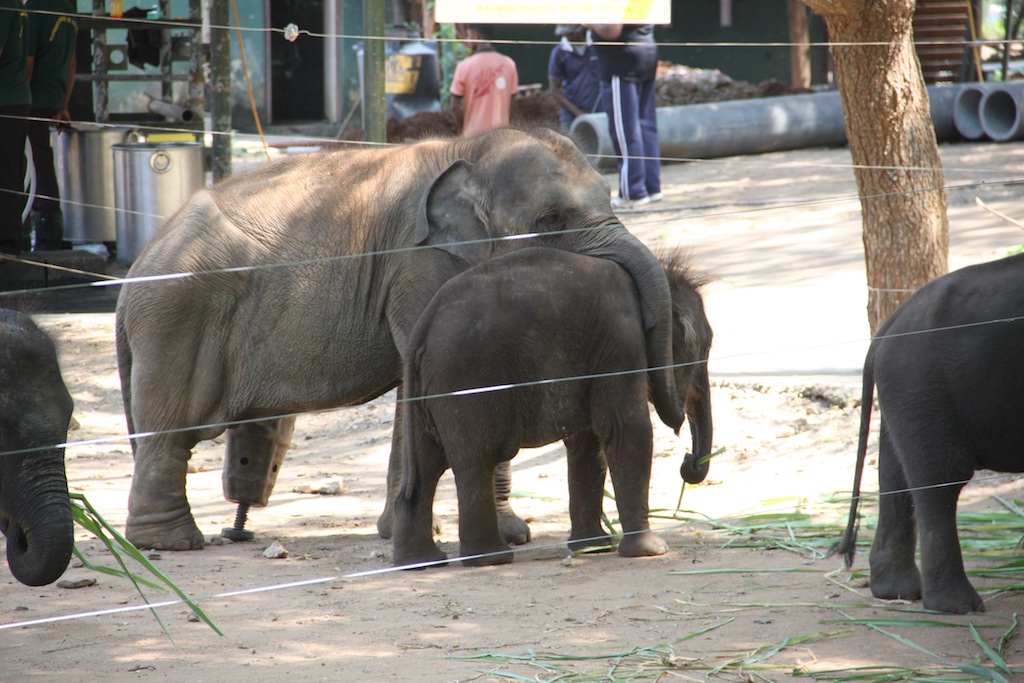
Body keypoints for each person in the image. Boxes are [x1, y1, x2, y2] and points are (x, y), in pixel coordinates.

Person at [587, 23, 662, 209]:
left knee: (625, 129)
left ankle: (633, 192)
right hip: (646, 49)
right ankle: (652, 188)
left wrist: (587, 21)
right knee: (645, 125)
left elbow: (611, 30)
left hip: (622, 62)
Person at [25, 0, 77, 250]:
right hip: (54, 95)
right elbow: (72, 62)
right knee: (40, 158)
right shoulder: (67, 10)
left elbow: (29, 62)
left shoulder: (35, 9)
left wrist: (19, 96)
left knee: (30, 161)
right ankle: (48, 226)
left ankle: (43, 224)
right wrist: (64, 103)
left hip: (32, 96)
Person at [449, 24, 518, 137]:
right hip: (502, 138)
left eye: (468, 35)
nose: (467, 40)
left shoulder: (464, 66)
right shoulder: (509, 64)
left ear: (476, 36)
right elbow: (513, 105)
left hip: (473, 139)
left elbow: (454, 106)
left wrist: (465, 127)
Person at [0, 0, 30, 258]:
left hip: (5, 99)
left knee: (6, 174)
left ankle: (8, 245)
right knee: (11, 172)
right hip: (16, 96)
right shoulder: (15, 5)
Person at [547, 25, 601, 132]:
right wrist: (578, 113)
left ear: (582, 30)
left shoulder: (598, 45)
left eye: (570, 33)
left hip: (600, 115)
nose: (567, 37)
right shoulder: (559, 52)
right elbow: (554, 90)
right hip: (571, 118)